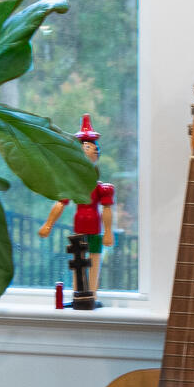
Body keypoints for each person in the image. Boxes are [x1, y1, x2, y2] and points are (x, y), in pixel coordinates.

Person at [35, 116, 113, 310]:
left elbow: (107, 209)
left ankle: (92, 295)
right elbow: (61, 203)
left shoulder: (101, 188)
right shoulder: (74, 184)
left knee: (94, 261)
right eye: (86, 146)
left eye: (93, 147)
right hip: (80, 227)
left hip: (95, 229)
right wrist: (48, 224)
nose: (92, 149)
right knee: (78, 262)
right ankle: (79, 295)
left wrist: (109, 232)